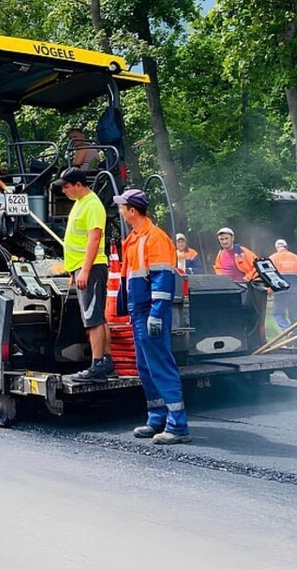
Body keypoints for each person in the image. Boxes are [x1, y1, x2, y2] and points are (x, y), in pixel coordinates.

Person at [116, 189, 191, 445]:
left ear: (132, 211)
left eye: (122, 206)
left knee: (160, 365)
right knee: (146, 367)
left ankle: (177, 425)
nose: (120, 210)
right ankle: (157, 417)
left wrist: (157, 314)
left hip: (150, 311)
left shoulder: (154, 238)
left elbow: (162, 278)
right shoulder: (135, 238)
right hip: (141, 312)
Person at [52, 166, 112, 380]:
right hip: (83, 267)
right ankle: (106, 361)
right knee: (97, 316)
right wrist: (74, 271)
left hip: (92, 268)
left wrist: (84, 271)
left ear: (79, 185)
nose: (64, 191)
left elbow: (94, 239)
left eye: (67, 187)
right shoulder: (80, 203)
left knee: (92, 318)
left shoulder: (93, 205)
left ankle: (97, 365)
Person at [213, 226, 267, 349]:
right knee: (231, 314)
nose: (224, 241)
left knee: (246, 313)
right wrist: (220, 277)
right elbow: (217, 267)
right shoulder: (220, 253)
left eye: (226, 238)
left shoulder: (243, 252)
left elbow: (257, 265)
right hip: (228, 288)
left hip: (243, 287)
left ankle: (253, 341)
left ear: (232, 238)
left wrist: (248, 277)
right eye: (221, 239)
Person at [268, 238, 297, 331]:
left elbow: (268, 275)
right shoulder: (296, 257)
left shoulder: (272, 258)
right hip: (294, 291)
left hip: (280, 291)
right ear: (286, 247)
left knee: (278, 314)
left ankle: (287, 329)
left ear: (276, 248)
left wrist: (270, 289)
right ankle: (295, 344)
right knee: (295, 317)